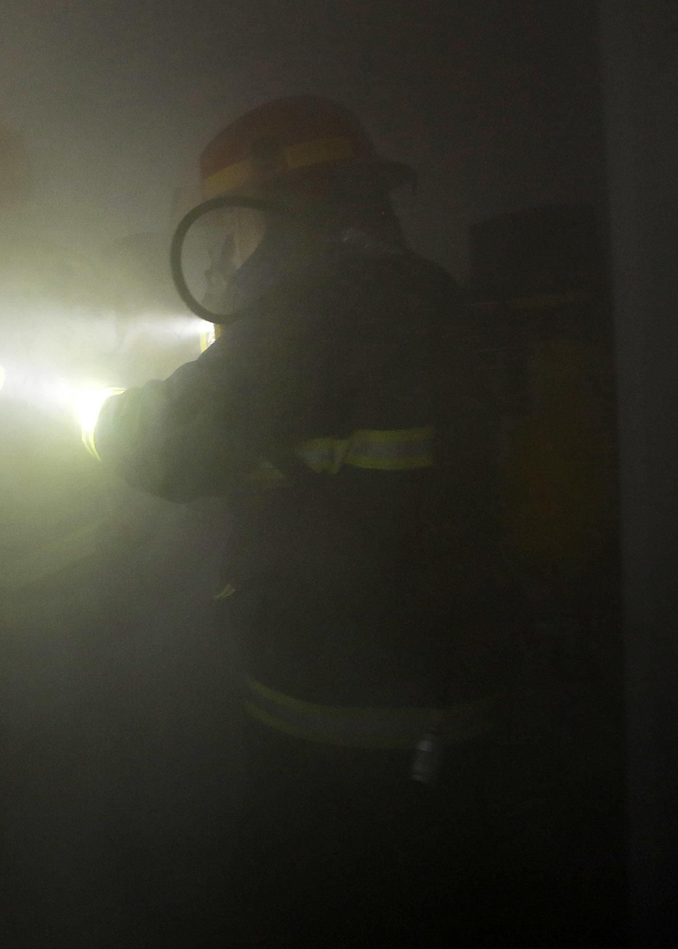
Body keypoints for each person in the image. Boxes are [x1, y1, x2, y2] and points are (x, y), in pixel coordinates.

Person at [90, 95, 519, 945]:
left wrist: (111, 409)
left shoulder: (303, 313)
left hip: (340, 734)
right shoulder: (427, 294)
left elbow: (154, 446)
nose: (227, 256)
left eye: (230, 232)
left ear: (261, 209)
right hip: (461, 711)